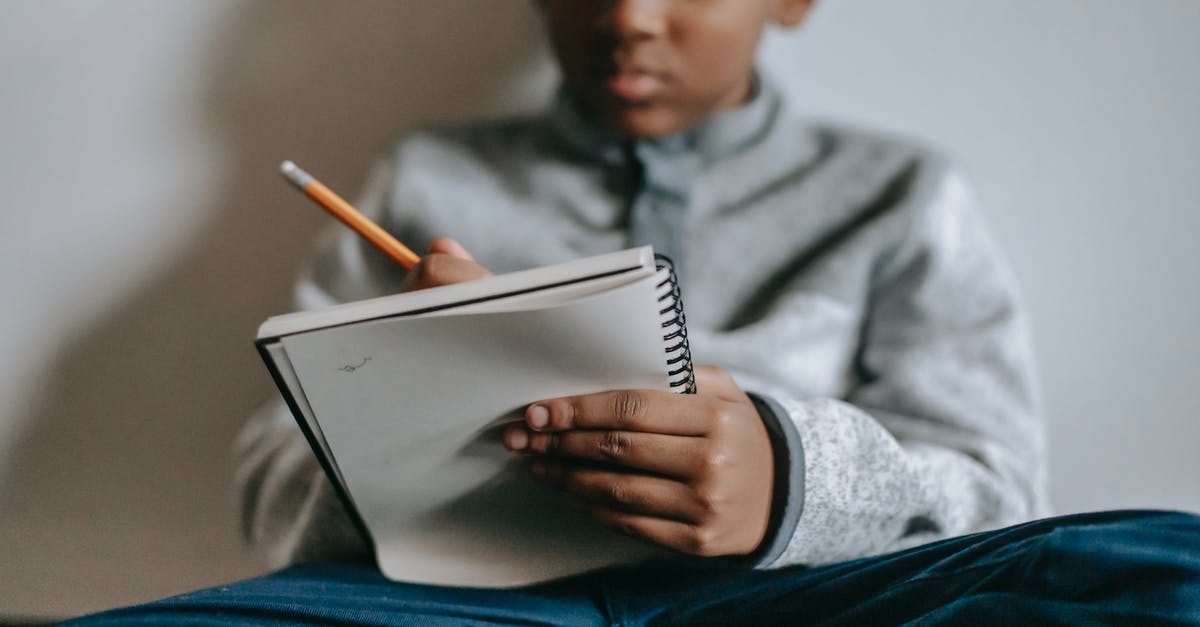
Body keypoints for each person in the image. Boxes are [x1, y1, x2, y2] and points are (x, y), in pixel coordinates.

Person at [70, 0, 1200, 624]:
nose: (629, 18)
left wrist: (795, 478)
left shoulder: (901, 194)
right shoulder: (426, 180)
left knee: (1161, 564)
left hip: (801, 603)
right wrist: (414, 404)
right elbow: (269, 481)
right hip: (450, 605)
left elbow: (1001, 491)